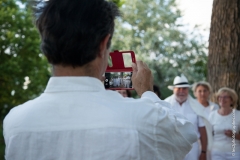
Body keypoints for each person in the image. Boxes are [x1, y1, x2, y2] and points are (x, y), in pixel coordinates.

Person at [3, 1, 197, 159]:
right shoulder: (142, 118)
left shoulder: (15, 122)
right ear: (103, 44)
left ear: (46, 48)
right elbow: (186, 135)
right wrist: (147, 92)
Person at [165, 74, 212, 160]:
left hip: (193, 149)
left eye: (184, 88)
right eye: (178, 88)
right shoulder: (165, 105)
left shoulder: (196, 106)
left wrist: (203, 152)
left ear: (188, 90)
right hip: (171, 147)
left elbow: (202, 130)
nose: (181, 91)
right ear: (173, 90)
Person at [209, 87, 240, 159]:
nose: (222, 99)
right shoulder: (212, 115)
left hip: (234, 153)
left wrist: (234, 135)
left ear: (232, 100)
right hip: (216, 153)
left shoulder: (238, 115)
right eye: (220, 97)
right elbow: (208, 134)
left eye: (225, 97)